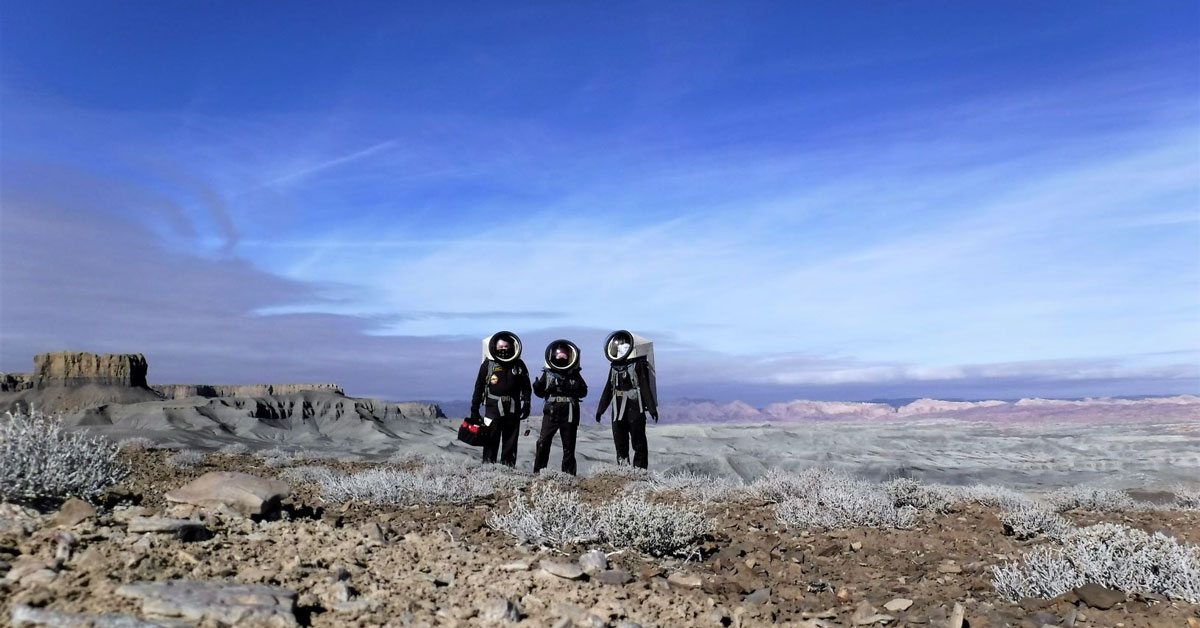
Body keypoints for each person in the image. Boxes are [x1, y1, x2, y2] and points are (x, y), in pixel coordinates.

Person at [595, 330, 658, 468]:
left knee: (639, 442)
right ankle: (624, 474)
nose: (622, 346)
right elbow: (608, 389)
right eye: (620, 343)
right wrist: (600, 410)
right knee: (620, 442)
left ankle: (640, 474)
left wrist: (652, 409)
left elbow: (645, 386)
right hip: (618, 410)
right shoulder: (614, 368)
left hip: (635, 407)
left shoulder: (638, 365)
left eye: (625, 343)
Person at [470, 331, 531, 466]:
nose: (503, 349)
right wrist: (474, 409)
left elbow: (527, 387)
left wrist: (527, 404)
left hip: (513, 407)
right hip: (493, 408)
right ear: (494, 347)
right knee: (490, 440)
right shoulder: (487, 365)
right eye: (500, 347)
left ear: (512, 347)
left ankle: (508, 470)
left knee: (510, 442)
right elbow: (479, 386)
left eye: (506, 347)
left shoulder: (519, 365)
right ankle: (488, 469)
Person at [532, 340, 587, 475]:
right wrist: (537, 387)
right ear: (553, 356)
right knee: (543, 442)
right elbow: (541, 393)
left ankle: (569, 476)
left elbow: (583, 392)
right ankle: (539, 473)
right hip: (551, 411)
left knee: (569, 446)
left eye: (564, 355)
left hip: (569, 413)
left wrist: (571, 387)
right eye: (559, 355)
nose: (561, 357)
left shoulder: (574, 373)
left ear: (569, 356)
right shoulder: (548, 373)